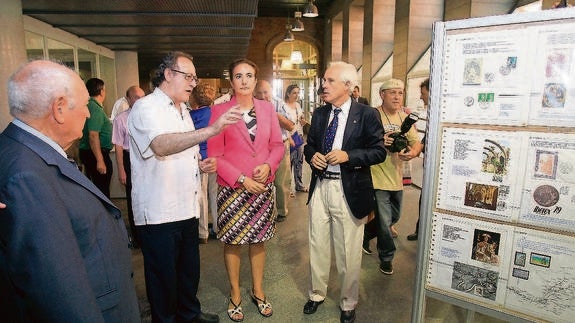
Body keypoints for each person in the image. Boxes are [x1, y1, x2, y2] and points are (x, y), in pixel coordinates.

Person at [0, 60, 140, 322]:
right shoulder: (26, 176)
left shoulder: (27, 154)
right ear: (60, 108)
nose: (88, 114)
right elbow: (57, 286)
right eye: (86, 104)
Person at [128, 51, 242, 323]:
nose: (194, 82)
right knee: (163, 277)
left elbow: (186, 146)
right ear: (168, 74)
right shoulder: (146, 107)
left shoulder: (183, 110)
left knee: (188, 271)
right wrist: (212, 130)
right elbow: (160, 144)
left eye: (195, 77)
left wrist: (201, 162)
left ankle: (190, 315)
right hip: (159, 211)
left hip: (186, 207)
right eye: (188, 76)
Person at [303, 61, 386, 323]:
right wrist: (312, 156)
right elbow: (310, 146)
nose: (323, 86)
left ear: (348, 86)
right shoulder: (319, 114)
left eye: (330, 81)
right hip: (320, 187)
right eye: (324, 80)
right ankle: (316, 293)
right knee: (317, 243)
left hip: (349, 189)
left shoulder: (367, 114)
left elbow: (378, 151)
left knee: (348, 249)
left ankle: (348, 301)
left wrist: (348, 155)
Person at [208, 58, 284, 322]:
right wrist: (241, 179)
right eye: (238, 76)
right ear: (231, 81)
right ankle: (235, 293)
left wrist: (268, 165)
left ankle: (258, 290)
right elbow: (215, 155)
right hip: (233, 188)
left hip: (262, 186)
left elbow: (278, 145)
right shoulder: (220, 112)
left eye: (249, 75)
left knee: (258, 240)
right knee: (233, 241)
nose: (244, 80)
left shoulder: (267, 109)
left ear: (255, 79)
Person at [363, 78, 423, 275]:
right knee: (385, 219)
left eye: (400, 93)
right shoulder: (372, 115)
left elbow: (416, 143)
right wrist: (380, 141)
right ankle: (386, 257)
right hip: (376, 175)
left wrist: (413, 153)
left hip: (396, 176)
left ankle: (365, 235)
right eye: (392, 92)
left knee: (392, 217)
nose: (397, 97)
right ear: (382, 95)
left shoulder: (404, 118)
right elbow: (360, 141)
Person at [254, 80, 295, 222]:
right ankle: (263, 211)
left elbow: (290, 126)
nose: (263, 96)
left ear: (271, 91)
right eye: (259, 93)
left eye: (265, 92)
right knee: (262, 179)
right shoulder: (252, 105)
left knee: (282, 181)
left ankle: (282, 211)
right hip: (261, 148)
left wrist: (272, 112)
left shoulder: (279, 104)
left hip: (281, 145)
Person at [112, 85, 145, 248]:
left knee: (147, 196)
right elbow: (118, 146)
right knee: (134, 199)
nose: (140, 100)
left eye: (142, 96)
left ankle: (148, 233)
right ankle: (137, 237)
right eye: (136, 97)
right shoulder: (120, 119)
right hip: (128, 158)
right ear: (128, 99)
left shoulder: (149, 116)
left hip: (146, 159)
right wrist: (122, 170)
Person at [188, 82, 217, 244]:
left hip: (200, 159)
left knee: (201, 197)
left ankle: (202, 232)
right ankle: (219, 228)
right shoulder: (216, 113)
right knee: (215, 195)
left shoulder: (192, 116)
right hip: (215, 158)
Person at [79, 77, 113, 198]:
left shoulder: (91, 106)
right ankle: (105, 216)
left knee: (100, 188)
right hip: (95, 154)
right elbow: (93, 135)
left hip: (92, 153)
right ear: (102, 91)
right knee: (102, 190)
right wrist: (100, 161)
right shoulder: (95, 109)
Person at [407, 78, 429, 241]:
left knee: (426, 200)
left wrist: (417, 149)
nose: (421, 97)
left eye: (423, 93)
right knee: (424, 200)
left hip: (434, 167)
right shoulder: (423, 113)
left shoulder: (438, 116)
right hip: (425, 163)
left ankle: (422, 231)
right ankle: (420, 230)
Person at [283, 84, 308, 194]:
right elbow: (282, 124)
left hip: (299, 136)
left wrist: (303, 121)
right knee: (289, 163)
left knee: (299, 162)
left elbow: (301, 118)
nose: (296, 95)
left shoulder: (297, 105)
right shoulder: (283, 106)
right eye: (294, 93)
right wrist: (288, 137)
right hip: (289, 138)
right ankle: (288, 189)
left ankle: (299, 185)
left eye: (298, 93)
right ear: (288, 94)